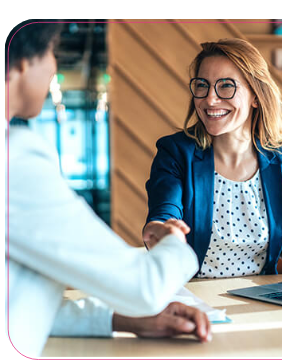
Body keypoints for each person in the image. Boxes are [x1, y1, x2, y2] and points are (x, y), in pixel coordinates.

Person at [5, 20, 211, 358]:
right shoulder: (15, 159)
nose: (55, 67)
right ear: (23, 61)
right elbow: (145, 288)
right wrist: (175, 243)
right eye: (52, 54)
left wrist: (123, 320)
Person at [143, 38, 282, 278]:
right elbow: (164, 213)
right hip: (194, 297)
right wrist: (161, 230)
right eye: (202, 85)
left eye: (226, 86)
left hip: (260, 297)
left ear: (256, 96)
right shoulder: (176, 152)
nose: (210, 99)